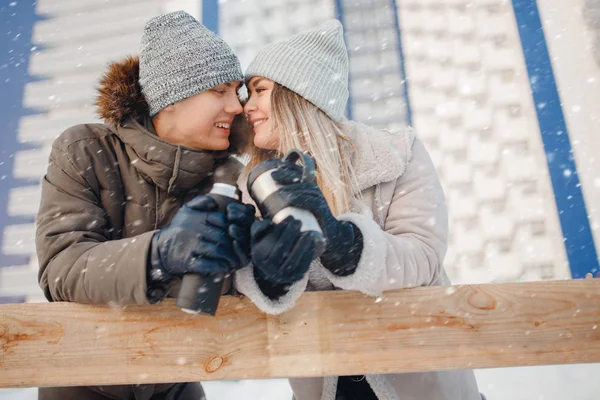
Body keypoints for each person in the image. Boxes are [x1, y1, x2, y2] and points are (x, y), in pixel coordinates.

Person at [233, 20, 483, 400]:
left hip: (417, 379)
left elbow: (423, 256)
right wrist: (268, 276)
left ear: (300, 94)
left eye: (260, 91)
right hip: (324, 382)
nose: (247, 106)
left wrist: (343, 243)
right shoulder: (252, 186)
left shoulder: (396, 155)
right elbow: (247, 285)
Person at [35, 10, 255, 400]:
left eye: (235, 91)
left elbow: (232, 293)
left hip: (176, 381)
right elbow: (62, 269)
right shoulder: (86, 149)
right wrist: (159, 253)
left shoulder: (228, 177)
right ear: (171, 99)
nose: (236, 106)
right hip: (82, 379)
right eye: (218, 91)